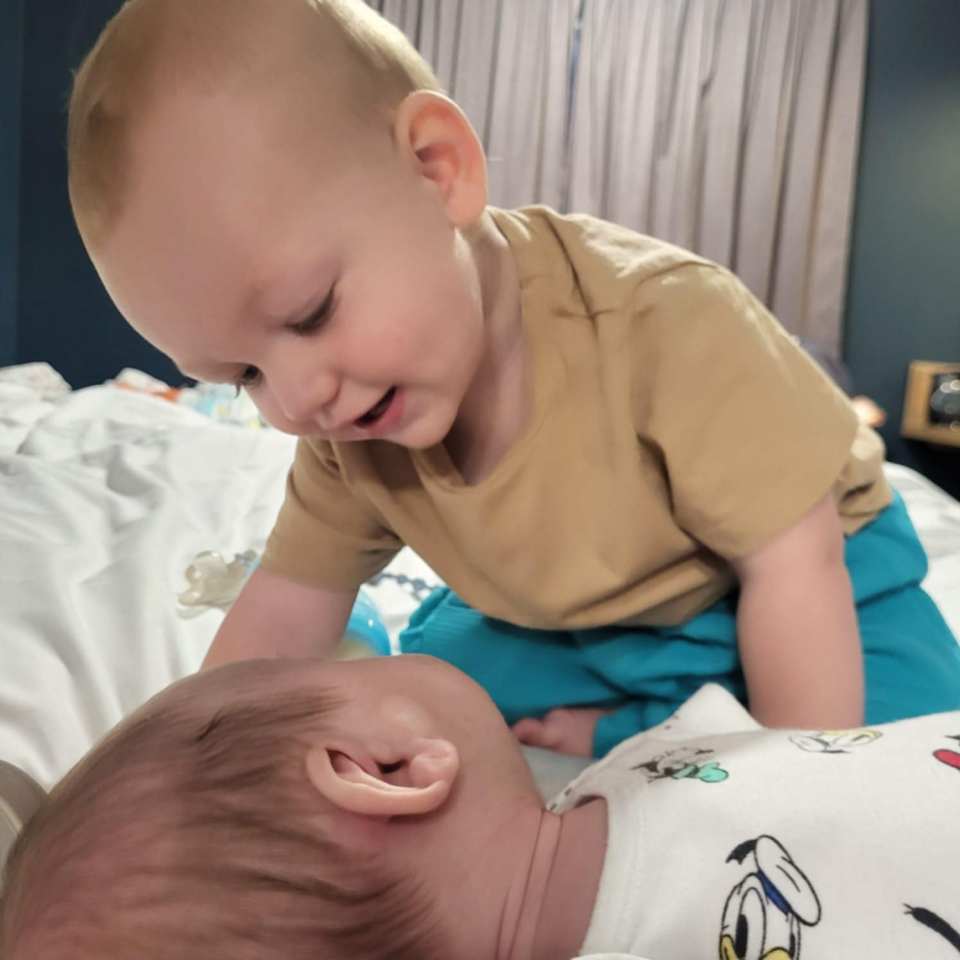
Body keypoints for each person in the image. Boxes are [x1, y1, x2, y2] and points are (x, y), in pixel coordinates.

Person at [66, 0, 960, 756]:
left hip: (803, 576)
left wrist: (791, 781)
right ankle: (644, 719)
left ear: (436, 169)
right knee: (429, 703)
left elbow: (792, 567)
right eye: (244, 374)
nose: (298, 401)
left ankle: (643, 732)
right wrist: (179, 755)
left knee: (896, 737)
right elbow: (289, 601)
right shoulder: (347, 432)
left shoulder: (666, 322)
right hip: (577, 618)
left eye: (309, 314)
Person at [3, 655, 959, 959]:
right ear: (384, 767)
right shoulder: (633, 782)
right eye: (340, 667)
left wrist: (583, 738)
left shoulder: (607, 794)